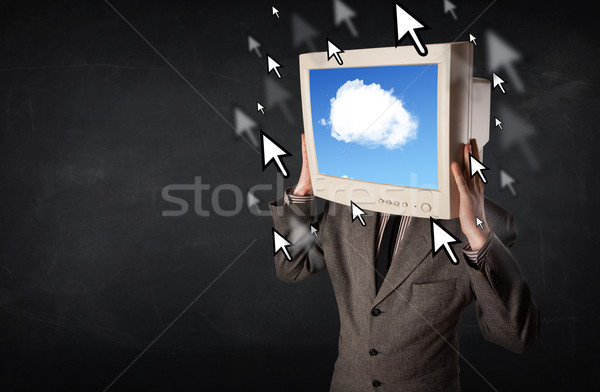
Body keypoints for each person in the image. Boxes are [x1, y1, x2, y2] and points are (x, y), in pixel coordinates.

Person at [269, 134, 539, 391]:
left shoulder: (479, 221)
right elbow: (291, 267)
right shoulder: (346, 205)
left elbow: (514, 338)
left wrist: (478, 236)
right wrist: (303, 191)